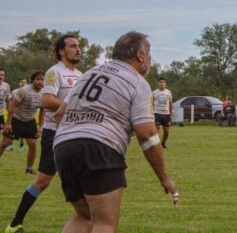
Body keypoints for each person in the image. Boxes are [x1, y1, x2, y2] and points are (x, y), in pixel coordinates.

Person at [53, 31, 177, 232]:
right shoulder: (138, 82)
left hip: (63, 146)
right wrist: (164, 178)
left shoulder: (90, 73)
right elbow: (146, 134)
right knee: (104, 223)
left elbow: (60, 114)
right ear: (140, 55)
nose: (150, 59)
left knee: (84, 216)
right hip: (99, 148)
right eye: (149, 53)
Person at [6, 34, 83, 233]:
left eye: (79, 46)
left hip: (75, 134)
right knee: (43, 181)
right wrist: (74, 106)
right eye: (73, 46)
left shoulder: (81, 75)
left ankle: (89, 220)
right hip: (55, 134)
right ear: (61, 51)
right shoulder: (54, 73)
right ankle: (15, 224)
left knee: (84, 177)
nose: (78, 49)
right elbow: (47, 100)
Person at [0, 71, 45, 174]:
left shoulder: (44, 93)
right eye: (37, 79)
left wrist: (40, 126)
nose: (40, 82)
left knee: (33, 144)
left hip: (30, 121)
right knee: (4, 144)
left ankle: (29, 169)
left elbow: (42, 110)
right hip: (16, 119)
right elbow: (12, 105)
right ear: (33, 80)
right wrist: (8, 123)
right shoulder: (23, 91)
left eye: (42, 79)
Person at [152, 77, 173, 148]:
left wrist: (170, 114)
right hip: (157, 113)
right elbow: (151, 104)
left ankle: (163, 142)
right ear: (158, 83)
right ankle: (156, 145)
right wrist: (151, 112)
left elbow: (170, 104)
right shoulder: (154, 93)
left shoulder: (168, 92)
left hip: (166, 114)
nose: (161, 83)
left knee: (166, 132)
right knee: (157, 129)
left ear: (165, 84)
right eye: (160, 82)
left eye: (163, 82)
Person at [0, 68, 10, 133]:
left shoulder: (6, 86)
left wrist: (10, 116)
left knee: (1, 133)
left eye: (2, 75)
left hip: (0, 114)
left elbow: (8, 101)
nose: (0, 77)